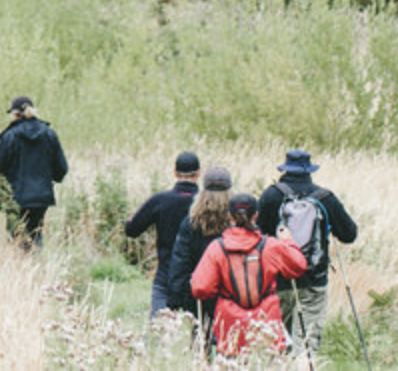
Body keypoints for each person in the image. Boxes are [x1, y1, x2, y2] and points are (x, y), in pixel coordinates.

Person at [257, 147, 358, 358]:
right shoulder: (325, 198)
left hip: (278, 281)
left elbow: (257, 235)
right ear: (309, 170)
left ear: (285, 169)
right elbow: (350, 234)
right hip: (314, 281)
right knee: (306, 344)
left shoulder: (271, 196)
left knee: (275, 344)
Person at [191, 191, 309, 357]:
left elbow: (201, 288)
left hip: (230, 324)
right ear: (256, 216)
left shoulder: (217, 248)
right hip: (267, 323)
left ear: (230, 217)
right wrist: (288, 241)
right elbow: (298, 266)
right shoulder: (271, 246)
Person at [124, 150, 200, 316]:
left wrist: (129, 221)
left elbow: (132, 230)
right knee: (200, 332)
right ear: (198, 174)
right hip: (198, 278)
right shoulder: (205, 203)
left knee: (159, 330)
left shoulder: (160, 200)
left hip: (165, 274)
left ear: (175, 173)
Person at [0, 95, 68, 247]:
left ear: (15, 114)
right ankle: (37, 268)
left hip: (15, 197)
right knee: (35, 235)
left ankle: (20, 269)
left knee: (16, 238)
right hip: (41, 197)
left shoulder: (9, 136)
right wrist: (49, 180)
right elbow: (62, 168)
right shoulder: (49, 134)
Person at [165, 166, 233, 341]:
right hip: (231, 292)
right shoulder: (235, 222)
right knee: (229, 340)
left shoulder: (191, 223)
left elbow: (180, 262)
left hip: (198, 293)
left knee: (200, 340)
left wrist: (174, 299)